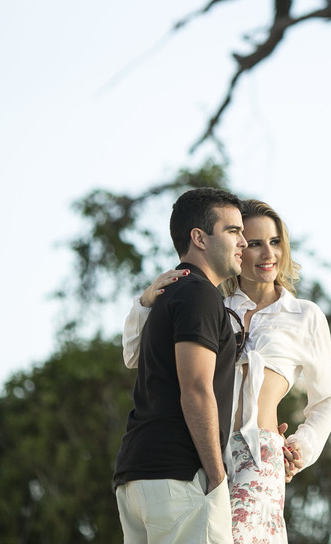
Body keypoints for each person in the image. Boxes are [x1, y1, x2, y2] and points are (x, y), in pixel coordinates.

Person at [124, 199, 331, 544]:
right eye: (253, 243)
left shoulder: (304, 316)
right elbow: (136, 355)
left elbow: (327, 399)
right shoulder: (210, 302)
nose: (267, 254)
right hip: (204, 448)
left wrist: (303, 446)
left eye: (274, 242)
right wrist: (145, 301)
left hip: (258, 454)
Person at [113, 187, 248, 544]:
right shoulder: (198, 293)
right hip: (180, 476)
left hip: (138, 477)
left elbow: (135, 357)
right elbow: (196, 389)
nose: (244, 242)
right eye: (233, 230)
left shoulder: (171, 292)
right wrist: (217, 476)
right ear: (199, 238)